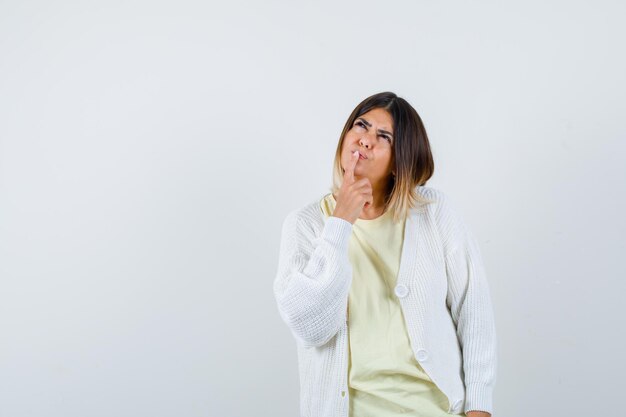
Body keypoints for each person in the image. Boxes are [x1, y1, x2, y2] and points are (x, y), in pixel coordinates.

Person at [273, 91, 497, 417]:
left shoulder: (435, 214)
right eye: (360, 126)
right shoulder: (305, 225)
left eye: (383, 137)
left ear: (399, 162)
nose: (365, 140)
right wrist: (340, 222)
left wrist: (479, 407)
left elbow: (474, 312)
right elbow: (311, 328)